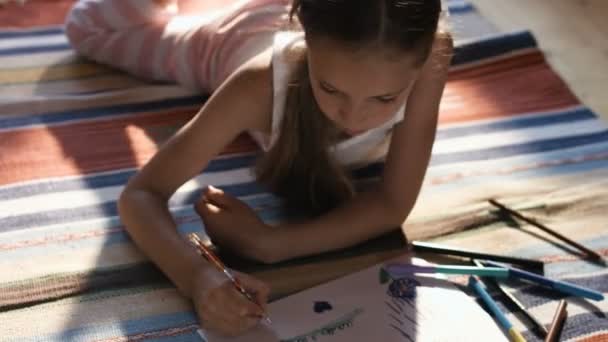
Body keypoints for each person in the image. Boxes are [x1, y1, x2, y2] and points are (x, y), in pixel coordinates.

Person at [65, 0, 453, 336]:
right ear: (307, 37)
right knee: (88, 27)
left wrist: (272, 244)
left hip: (281, 14)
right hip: (226, 37)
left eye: (385, 98)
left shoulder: (430, 56)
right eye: (331, 89)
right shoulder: (257, 85)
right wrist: (197, 277)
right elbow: (141, 195)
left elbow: (392, 204)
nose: (354, 117)